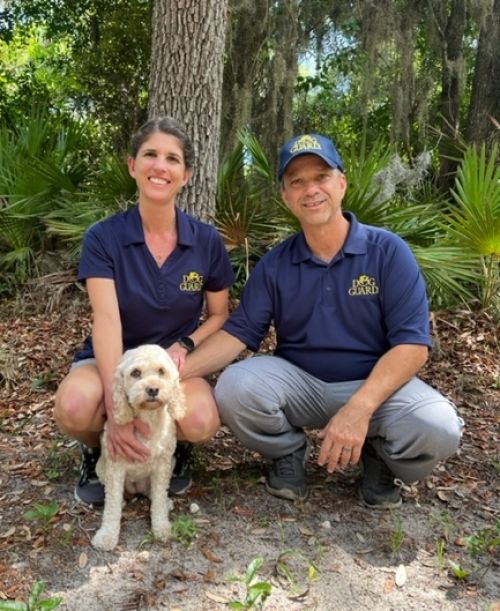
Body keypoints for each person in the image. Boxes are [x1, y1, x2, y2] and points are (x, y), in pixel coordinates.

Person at [182, 133, 464, 508]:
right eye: (297, 182)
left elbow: (412, 347)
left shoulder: (387, 252)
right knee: (235, 386)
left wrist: (359, 409)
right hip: (302, 385)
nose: (310, 190)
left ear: (342, 183)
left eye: (321, 177)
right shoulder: (275, 265)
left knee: (439, 428)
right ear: (285, 196)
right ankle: (287, 453)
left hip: (375, 387)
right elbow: (237, 334)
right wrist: (169, 375)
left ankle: (379, 458)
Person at [53, 116, 235, 506]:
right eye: (150, 154)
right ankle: (98, 450)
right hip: (113, 358)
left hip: (171, 365)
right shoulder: (104, 237)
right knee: (73, 408)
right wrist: (117, 409)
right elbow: (107, 319)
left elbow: (220, 315)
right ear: (133, 165)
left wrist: (186, 343)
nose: (160, 166)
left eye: (172, 159)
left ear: (185, 175)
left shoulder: (206, 241)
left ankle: (171, 447)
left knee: (201, 420)